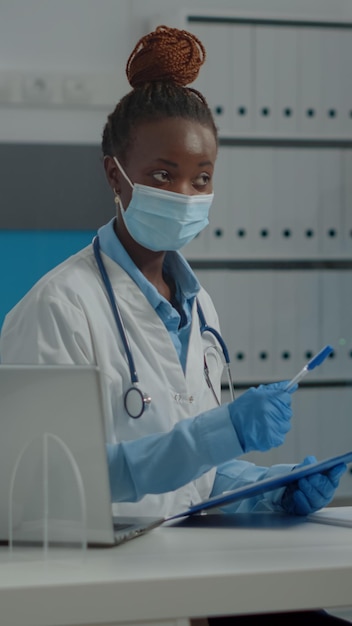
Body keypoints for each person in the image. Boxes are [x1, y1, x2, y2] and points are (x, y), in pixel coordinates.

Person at [0, 25, 348, 625]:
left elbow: (196, 477)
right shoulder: (60, 308)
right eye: (164, 175)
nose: (186, 194)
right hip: (114, 594)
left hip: (198, 574)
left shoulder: (199, 307)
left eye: (202, 178)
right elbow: (48, 489)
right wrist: (222, 432)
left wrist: (269, 488)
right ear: (116, 176)